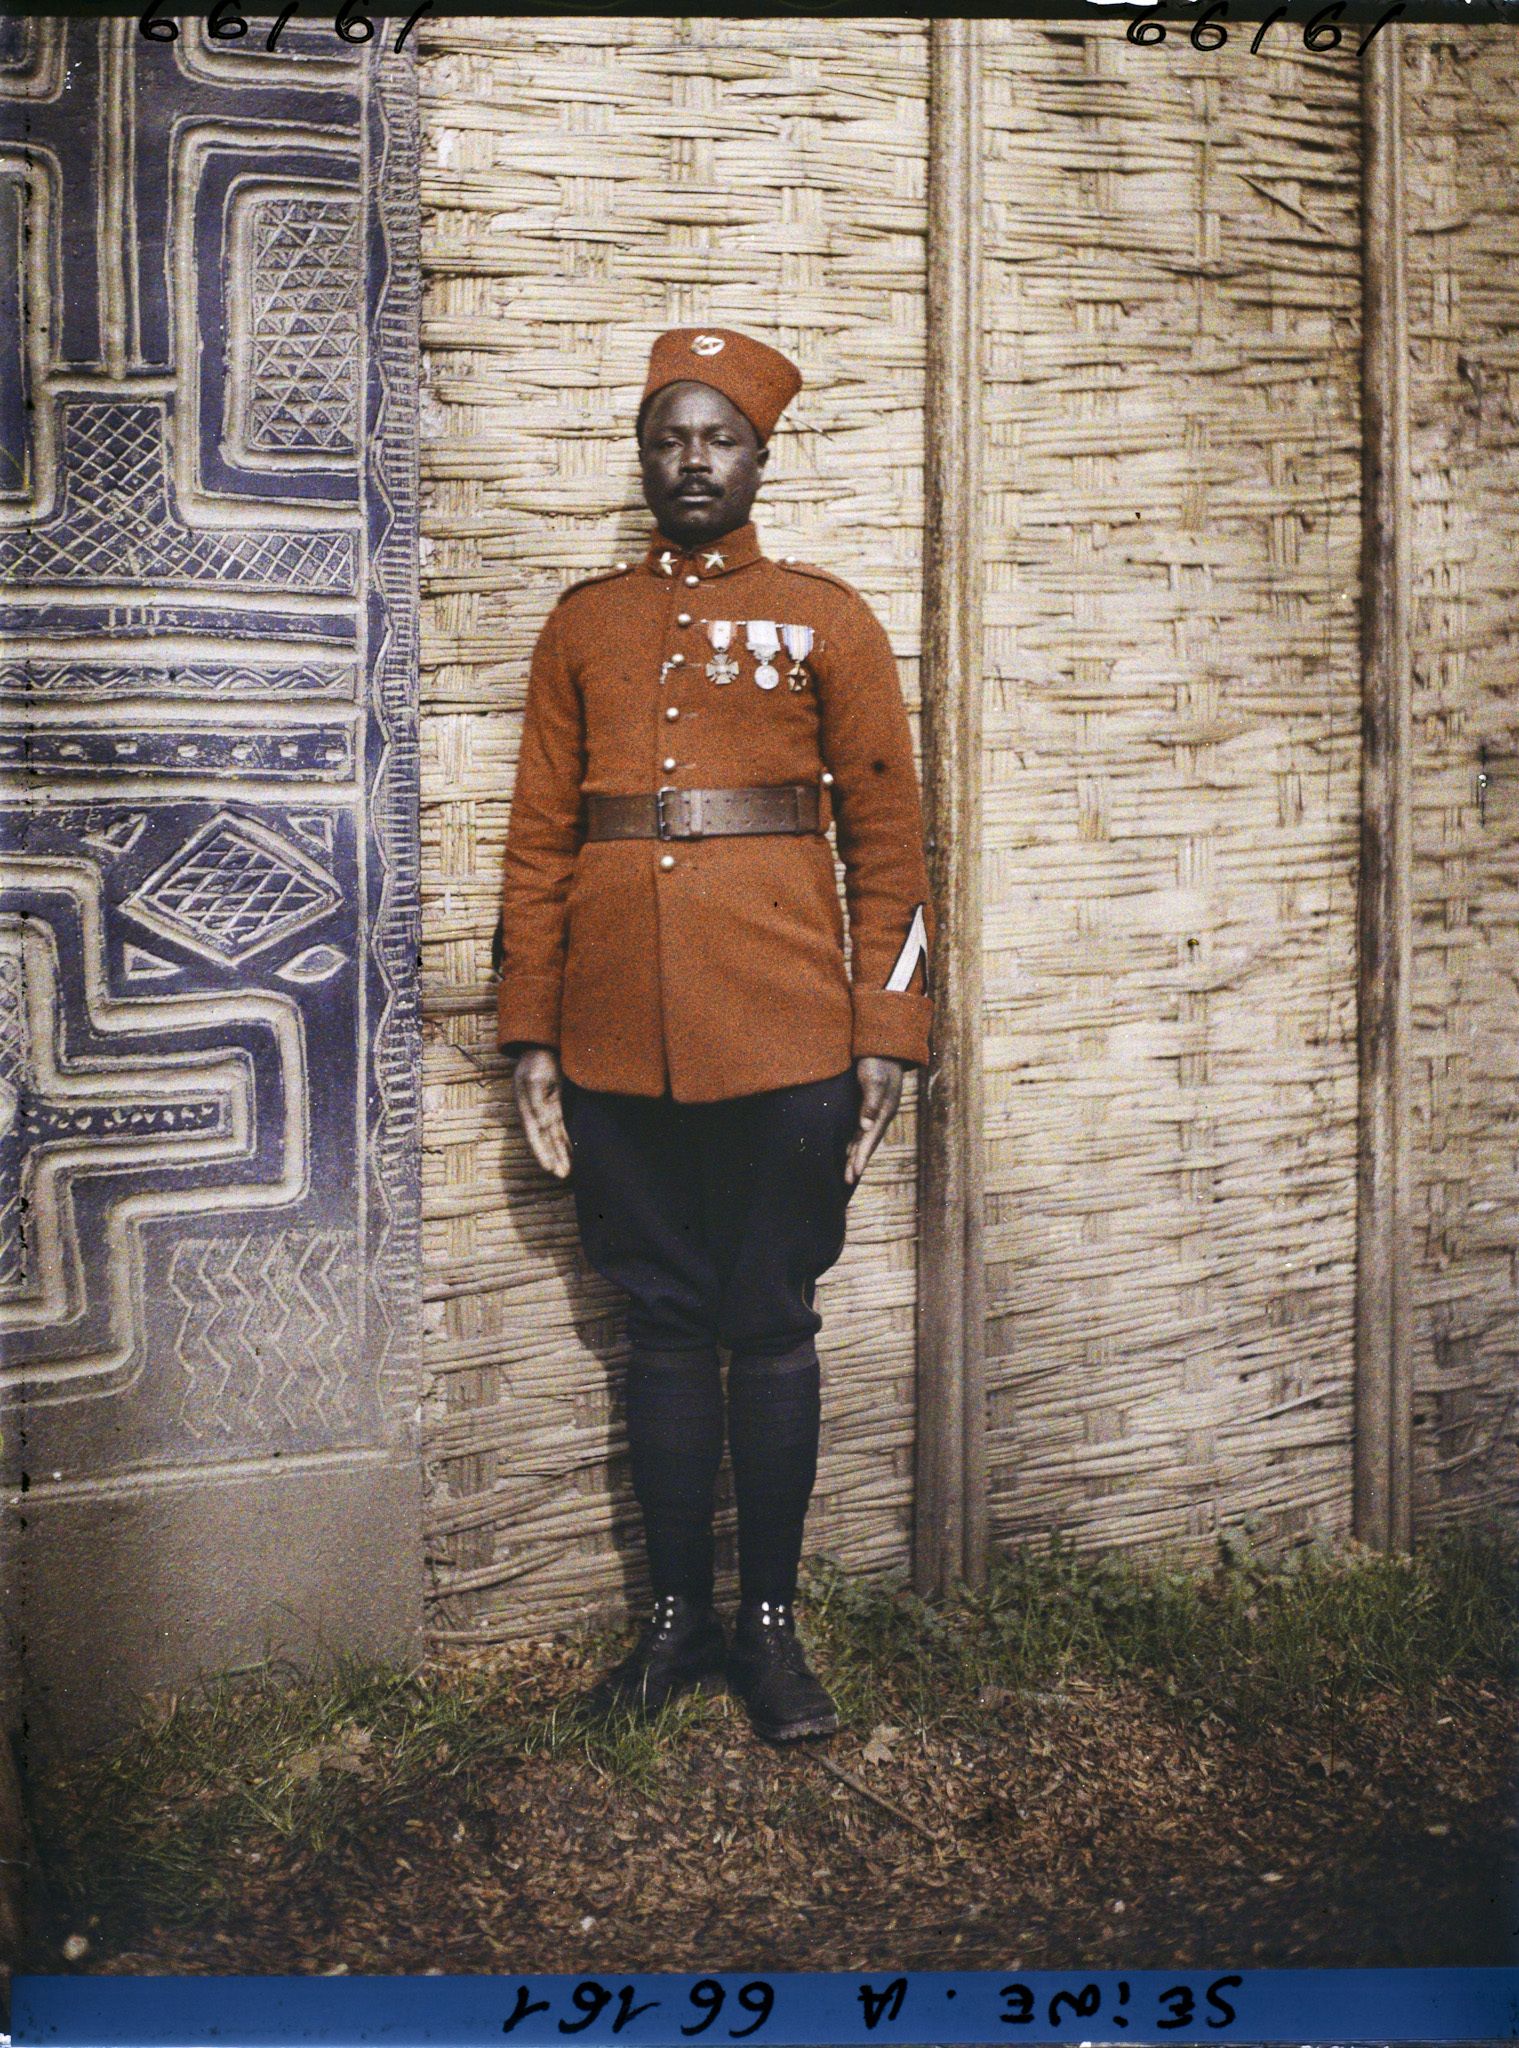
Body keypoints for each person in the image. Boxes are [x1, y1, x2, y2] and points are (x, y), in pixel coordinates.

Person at [495, 326, 933, 1742]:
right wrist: (531, 1033)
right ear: (642, 451)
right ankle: (674, 1626)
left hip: (789, 1031)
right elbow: (535, 845)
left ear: (760, 456)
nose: (695, 459)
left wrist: (888, 1033)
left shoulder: (828, 618)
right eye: (671, 435)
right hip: (618, 1036)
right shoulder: (585, 625)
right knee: (665, 1329)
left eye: (720, 437)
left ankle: (772, 1636)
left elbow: (893, 843)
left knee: (772, 1321)